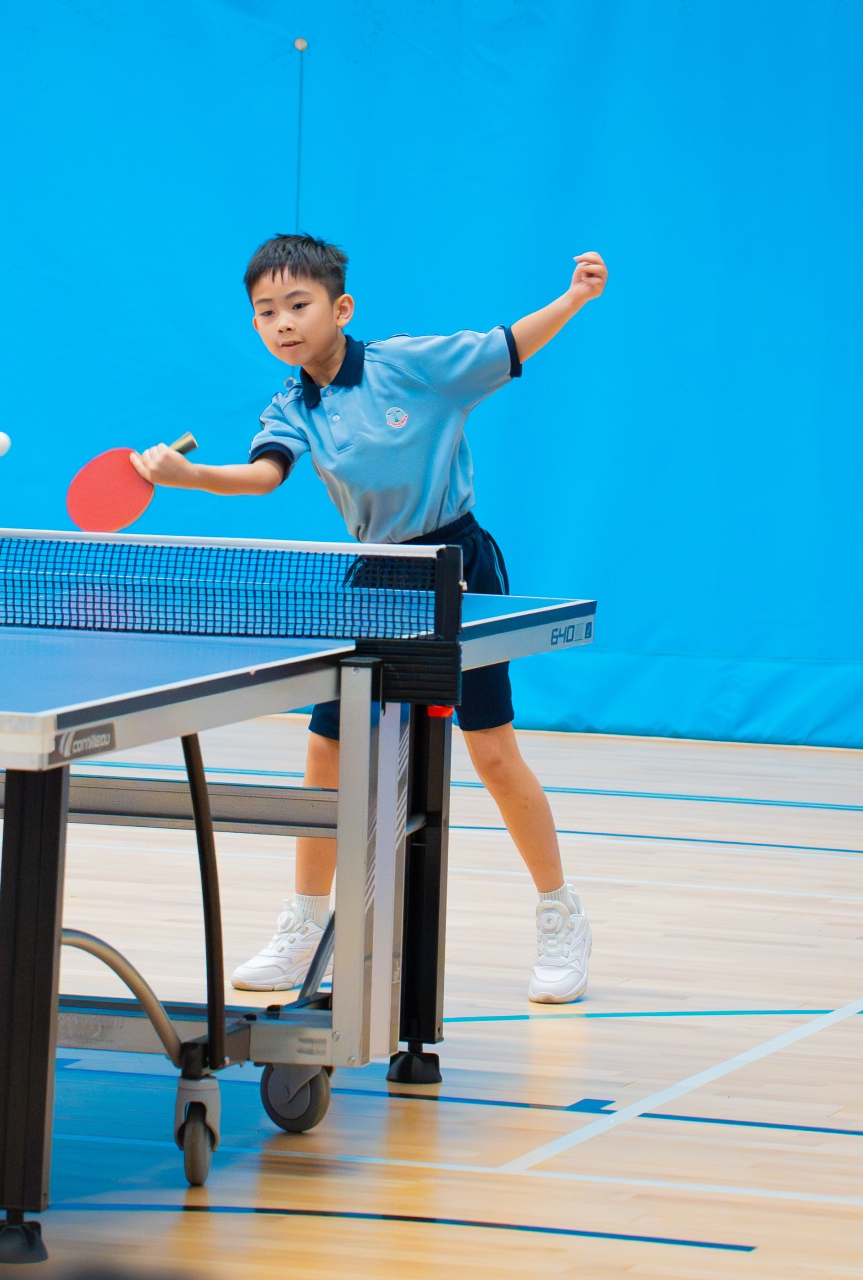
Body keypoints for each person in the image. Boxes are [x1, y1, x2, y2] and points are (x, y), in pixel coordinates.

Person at [131, 233, 607, 1004]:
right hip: (377, 579)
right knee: (326, 754)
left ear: (340, 307)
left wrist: (574, 298)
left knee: (491, 753)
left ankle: (561, 915)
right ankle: (305, 924)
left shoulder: (409, 365)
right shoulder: (293, 405)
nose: (283, 322)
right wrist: (189, 476)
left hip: (456, 569)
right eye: (266, 312)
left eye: (298, 304)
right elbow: (263, 476)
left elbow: (509, 346)